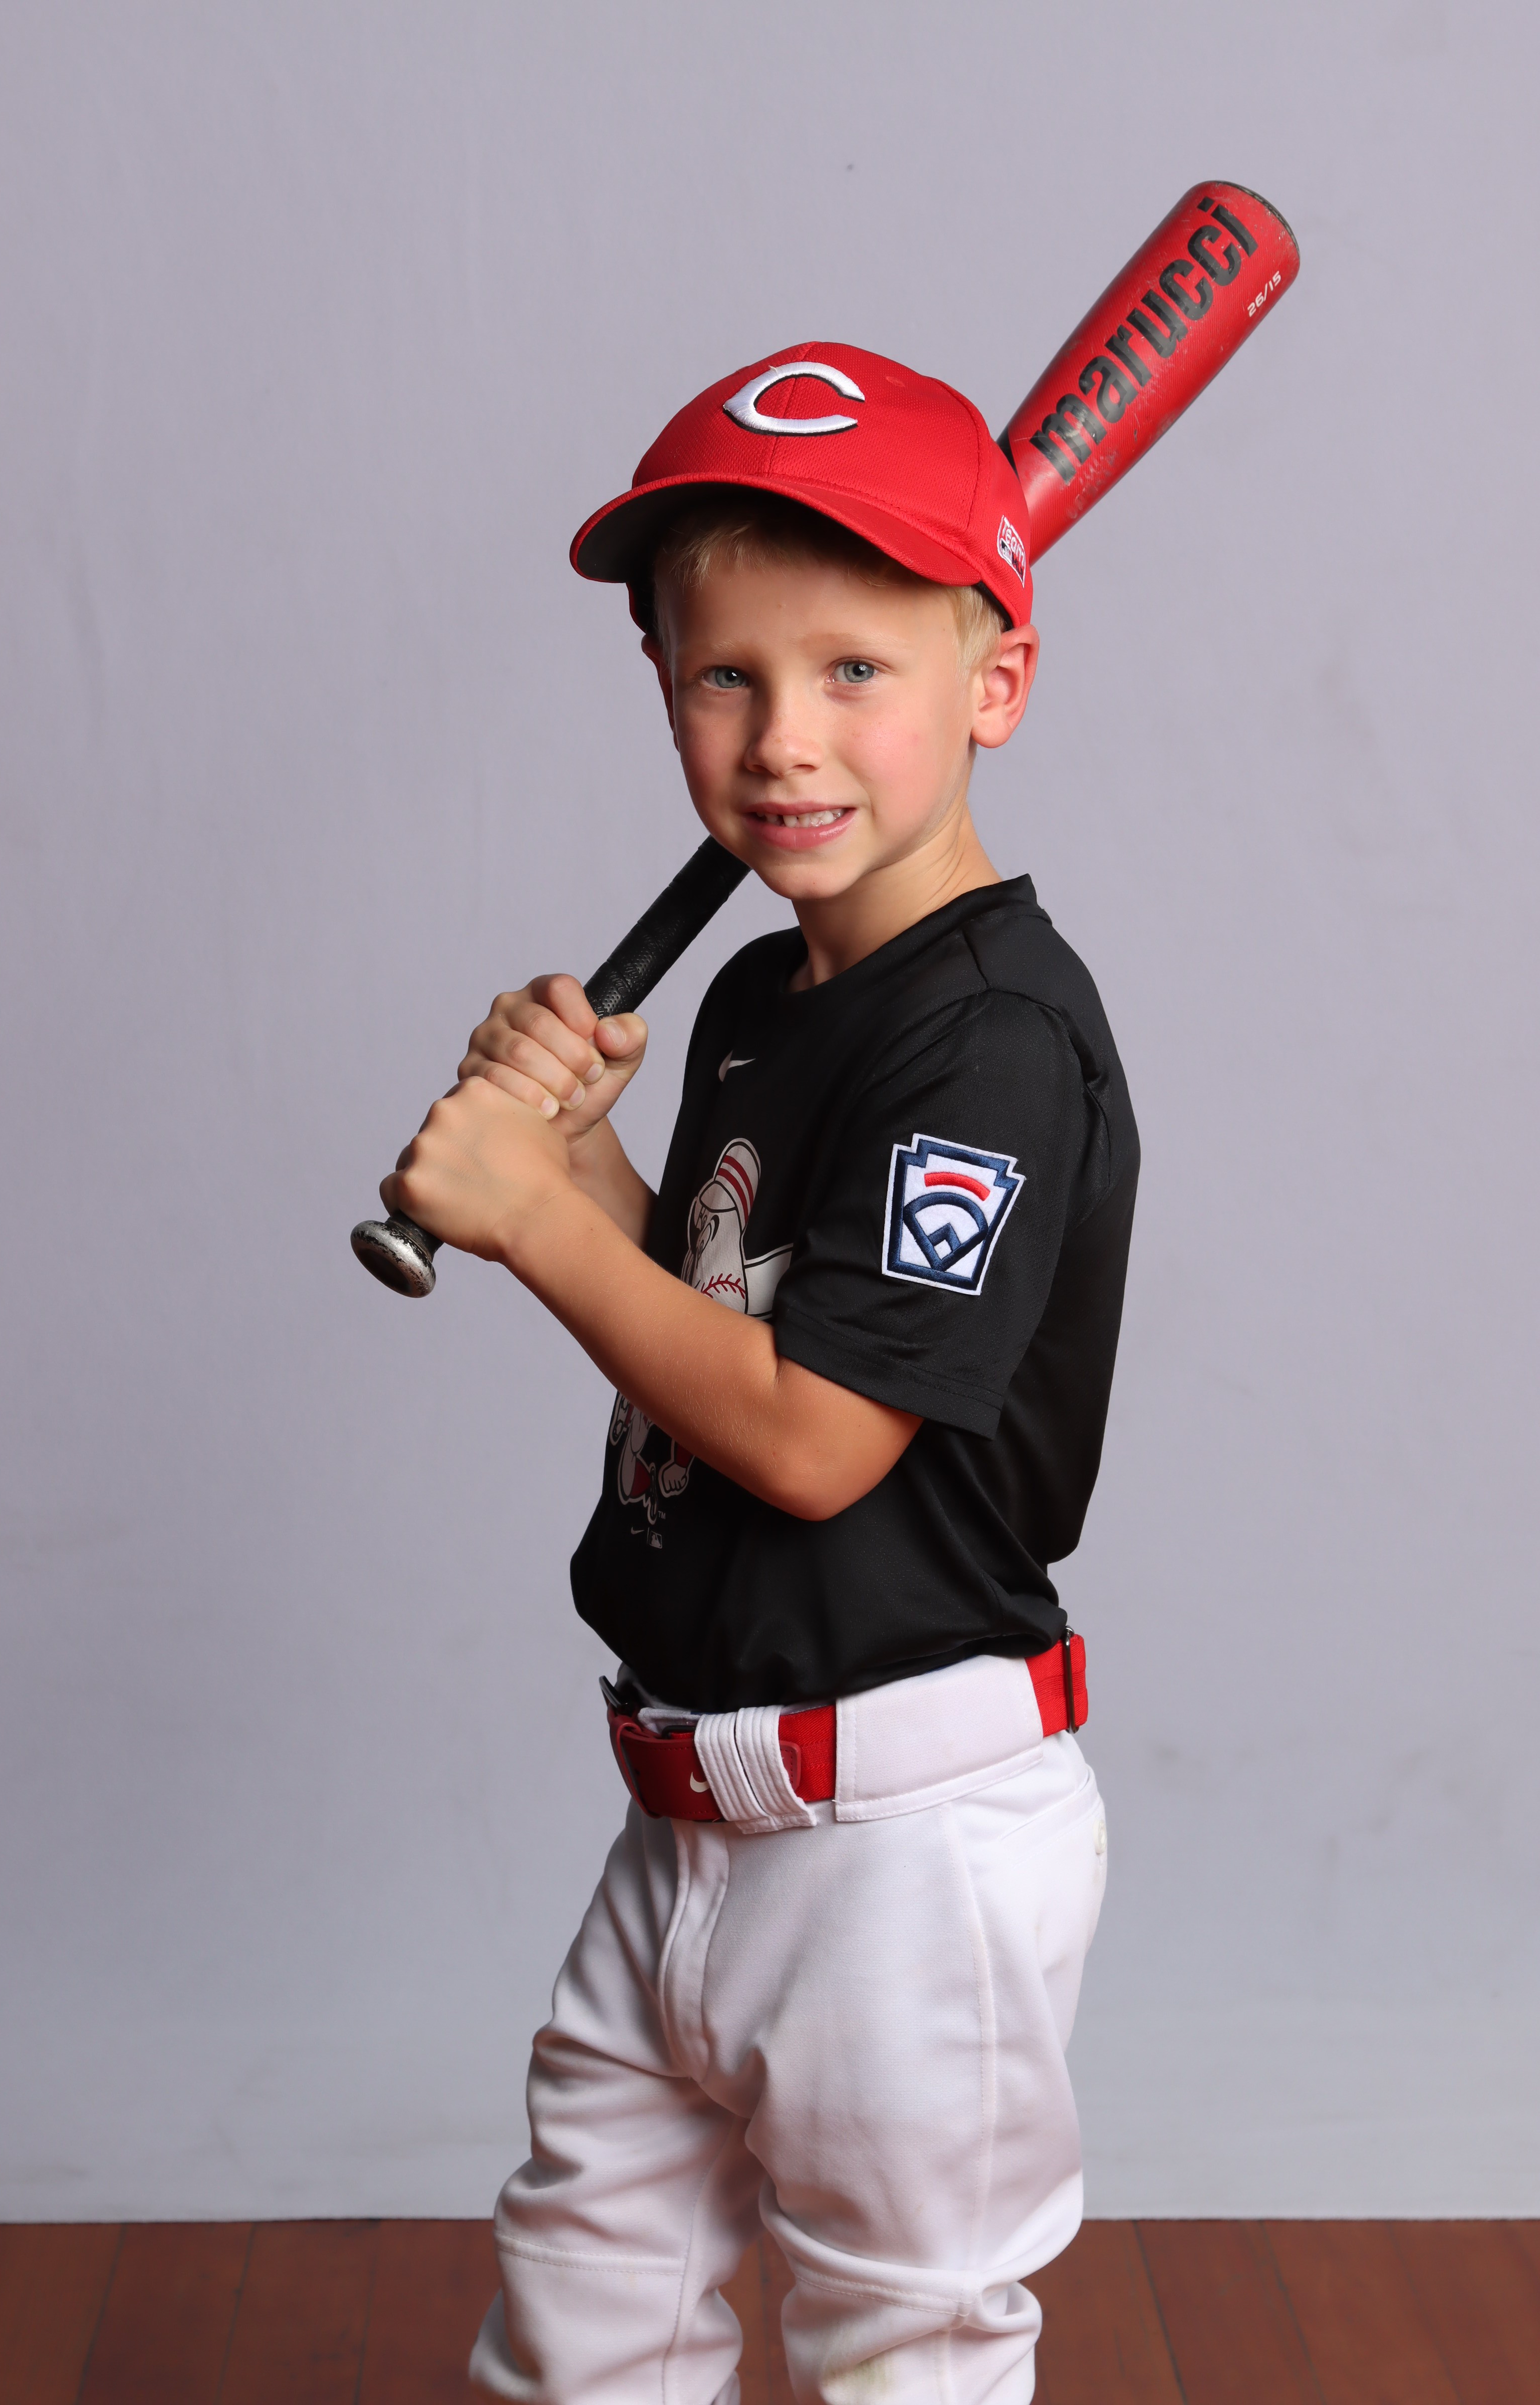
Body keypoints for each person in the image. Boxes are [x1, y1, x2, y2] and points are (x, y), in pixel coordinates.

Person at [381, 343, 1139, 2402]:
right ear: (660, 684)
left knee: (903, 2343)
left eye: (854, 671)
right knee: (583, 2312)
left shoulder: (991, 1044)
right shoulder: (761, 994)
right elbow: (723, 1319)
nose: (782, 738)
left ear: (994, 683)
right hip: (687, 1807)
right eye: (724, 675)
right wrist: (578, 1165)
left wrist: (529, 1228)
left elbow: (808, 1440)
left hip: (901, 1840)